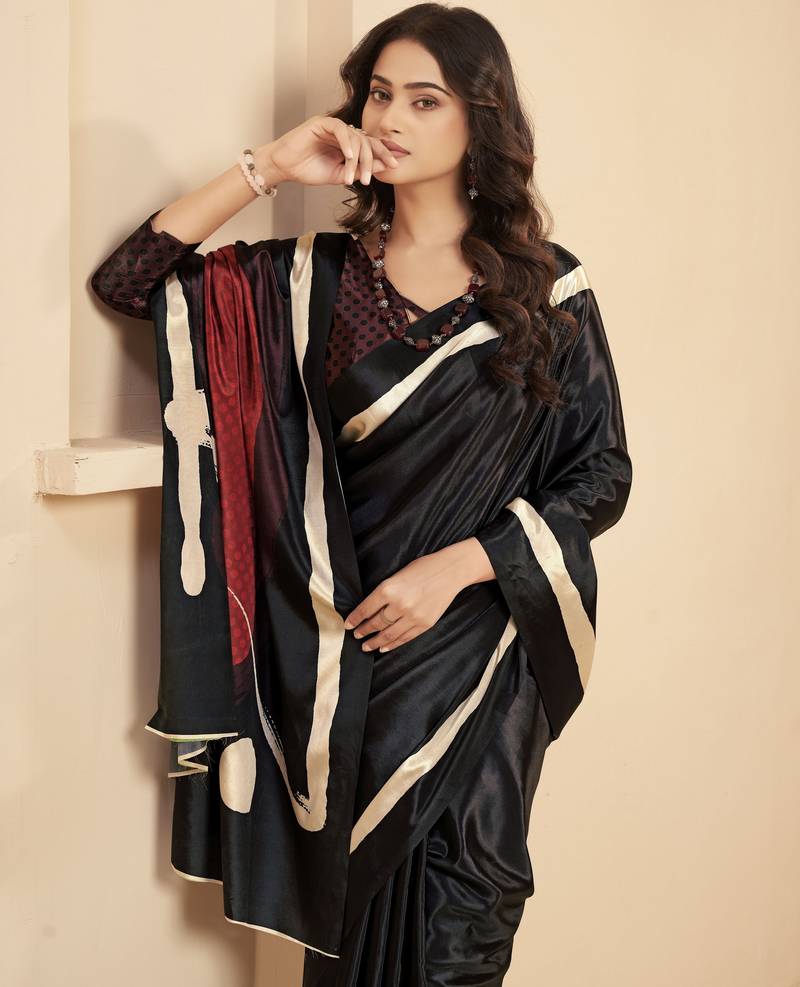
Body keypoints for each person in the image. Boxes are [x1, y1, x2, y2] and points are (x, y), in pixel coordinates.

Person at [89, 4, 632, 984]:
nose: (390, 117)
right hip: (342, 674)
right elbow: (130, 283)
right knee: (351, 932)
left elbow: (600, 475)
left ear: (480, 120)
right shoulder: (311, 284)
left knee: (466, 925)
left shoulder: (546, 291)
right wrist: (268, 168)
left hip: (478, 662)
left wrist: (459, 567)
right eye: (379, 94)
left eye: (424, 100)